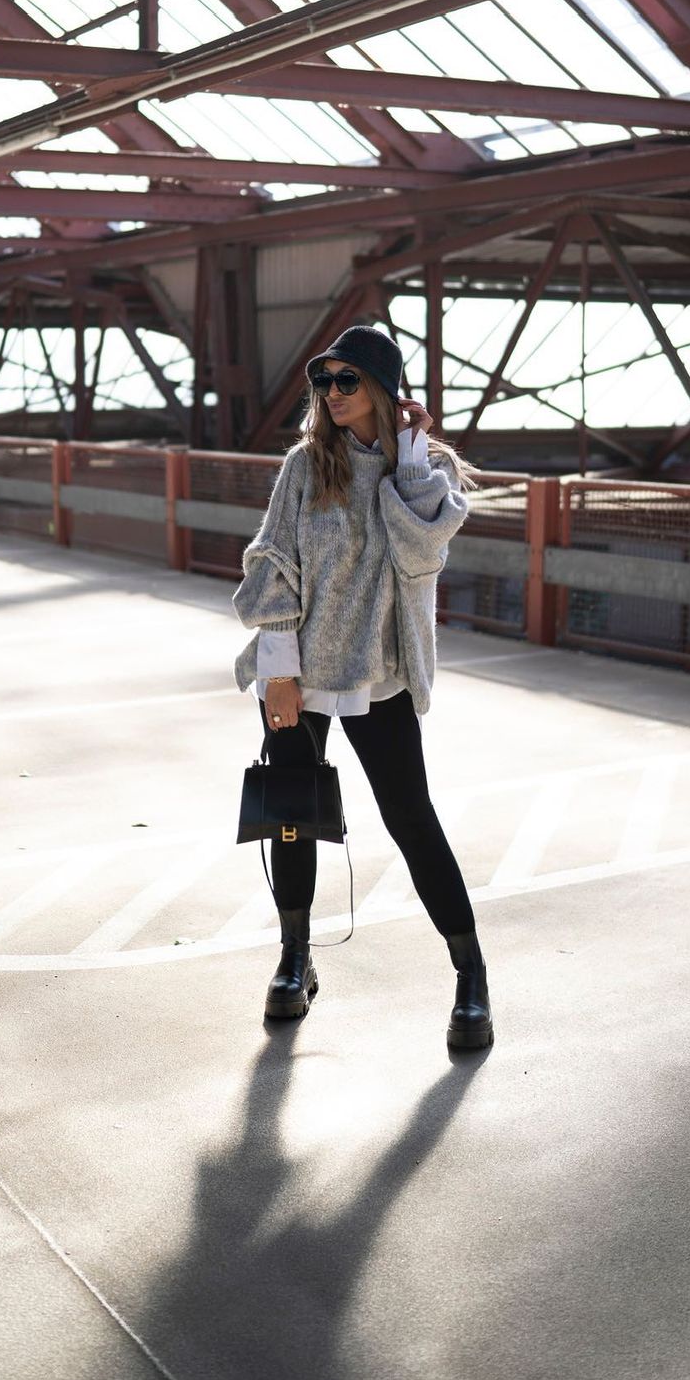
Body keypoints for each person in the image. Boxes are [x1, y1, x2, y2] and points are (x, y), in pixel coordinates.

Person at [232, 324, 493, 1055]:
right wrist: (278, 672)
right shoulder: (304, 464)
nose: (332, 393)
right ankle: (295, 957)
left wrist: (408, 459)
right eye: (324, 381)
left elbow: (421, 554)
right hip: (302, 670)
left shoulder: (425, 469)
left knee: (411, 818)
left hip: (381, 671)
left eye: (348, 380)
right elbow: (273, 560)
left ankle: (470, 973)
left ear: (381, 388)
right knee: (292, 815)